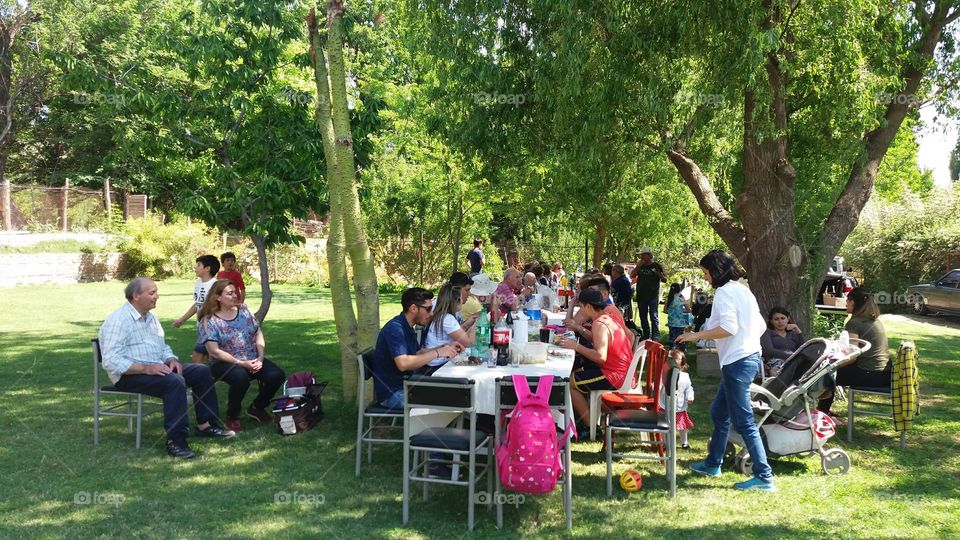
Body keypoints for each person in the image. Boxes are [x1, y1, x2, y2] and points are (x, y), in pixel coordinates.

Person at [99, 278, 234, 459]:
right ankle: (176, 441)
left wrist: (170, 359)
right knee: (174, 381)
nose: (157, 296)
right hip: (129, 375)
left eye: (156, 292)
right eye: (152, 293)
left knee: (200, 371)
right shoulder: (119, 320)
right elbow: (111, 360)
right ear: (136, 296)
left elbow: (162, 347)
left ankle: (206, 425)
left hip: (157, 369)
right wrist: (146, 368)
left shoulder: (150, 317)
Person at [676, 249, 775, 491]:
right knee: (719, 414)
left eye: (706, 273)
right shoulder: (742, 290)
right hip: (745, 358)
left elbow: (729, 328)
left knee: (744, 422)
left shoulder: (724, 293)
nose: (706, 278)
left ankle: (764, 476)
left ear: (716, 271)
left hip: (738, 363)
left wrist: (696, 335)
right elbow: (760, 325)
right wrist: (746, 342)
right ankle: (713, 464)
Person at [198, 280, 286, 433]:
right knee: (240, 378)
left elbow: (258, 333)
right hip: (223, 363)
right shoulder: (209, 320)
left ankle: (257, 407)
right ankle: (233, 416)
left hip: (251, 358)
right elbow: (213, 351)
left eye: (235, 291)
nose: (235, 295)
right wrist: (241, 363)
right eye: (230, 293)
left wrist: (260, 357)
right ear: (218, 297)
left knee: (277, 375)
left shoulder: (244, 310)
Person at [560, 288, 633, 438]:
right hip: (624, 372)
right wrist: (579, 329)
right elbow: (599, 340)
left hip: (615, 375)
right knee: (577, 373)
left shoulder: (599, 324)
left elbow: (600, 357)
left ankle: (591, 426)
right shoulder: (608, 317)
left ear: (587, 306)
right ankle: (588, 419)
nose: (581, 310)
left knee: (569, 383)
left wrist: (576, 346)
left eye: (581, 306)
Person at [371, 287, 460, 409]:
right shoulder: (395, 329)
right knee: (451, 399)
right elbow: (403, 364)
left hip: (408, 385)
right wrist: (437, 352)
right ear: (413, 308)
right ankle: (434, 427)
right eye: (428, 309)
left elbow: (418, 353)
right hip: (393, 394)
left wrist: (445, 347)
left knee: (455, 393)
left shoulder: (406, 326)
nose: (432, 314)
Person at [818, 288, 890, 415]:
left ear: (853, 302)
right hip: (883, 375)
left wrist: (831, 364)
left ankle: (821, 413)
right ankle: (823, 410)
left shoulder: (855, 323)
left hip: (870, 375)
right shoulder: (874, 321)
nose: (846, 303)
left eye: (847, 300)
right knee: (831, 371)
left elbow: (852, 356)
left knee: (825, 373)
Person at [173, 254, 221, 363]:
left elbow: (214, 307)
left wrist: (206, 324)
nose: (195, 267)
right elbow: (197, 304)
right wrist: (182, 319)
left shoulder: (215, 285)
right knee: (209, 357)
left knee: (197, 357)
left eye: (198, 265)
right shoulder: (198, 283)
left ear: (207, 268)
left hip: (211, 327)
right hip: (201, 325)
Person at [422, 283, 477, 374]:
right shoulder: (447, 319)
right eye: (461, 298)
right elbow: (468, 343)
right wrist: (477, 324)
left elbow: (458, 335)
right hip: (437, 366)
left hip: (434, 363)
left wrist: (467, 324)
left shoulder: (441, 316)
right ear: (456, 301)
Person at [660, 349, 695, 449]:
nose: (675, 361)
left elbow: (689, 388)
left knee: (682, 426)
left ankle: (685, 442)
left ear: (682, 361)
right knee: (665, 424)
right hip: (665, 404)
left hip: (679, 405)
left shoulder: (685, 376)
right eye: (672, 359)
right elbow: (660, 384)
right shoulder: (665, 374)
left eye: (678, 359)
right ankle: (665, 443)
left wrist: (690, 396)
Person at [630, 247, 667, 341]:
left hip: (652, 295)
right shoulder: (640, 266)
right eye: (642, 255)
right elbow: (632, 275)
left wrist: (659, 274)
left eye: (645, 255)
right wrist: (638, 266)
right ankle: (646, 335)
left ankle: (655, 335)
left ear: (650, 256)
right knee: (643, 316)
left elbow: (664, 280)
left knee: (653, 315)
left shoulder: (656, 265)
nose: (643, 257)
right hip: (641, 295)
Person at [760, 307, 804, 377]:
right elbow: (769, 351)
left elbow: (803, 349)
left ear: (788, 319)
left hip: (794, 363)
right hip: (776, 362)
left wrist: (798, 330)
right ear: (771, 321)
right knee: (778, 365)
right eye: (776, 319)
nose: (780, 321)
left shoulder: (792, 334)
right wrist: (792, 356)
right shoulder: (768, 333)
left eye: (783, 318)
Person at [665, 283, 688, 350]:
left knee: (672, 338)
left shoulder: (669, 298)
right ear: (679, 289)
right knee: (680, 338)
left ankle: (672, 350)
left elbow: (665, 311)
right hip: (680, 323)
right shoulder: (681, 298)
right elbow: (688, 310)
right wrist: (680, 311)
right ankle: (681, 350)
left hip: (671, 322)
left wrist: (672, 312)